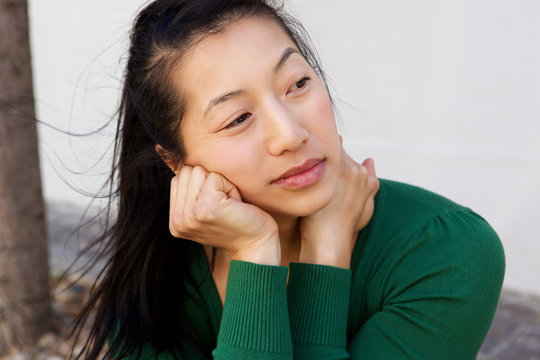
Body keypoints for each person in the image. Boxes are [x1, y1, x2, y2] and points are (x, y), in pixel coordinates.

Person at [73, 0, 505, 359]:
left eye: (297, 84)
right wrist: (255, 252)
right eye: (238, 118)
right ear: (175, 162)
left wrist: (326, 250)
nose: (290, 135)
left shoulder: (446, 254)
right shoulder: (155, 274)